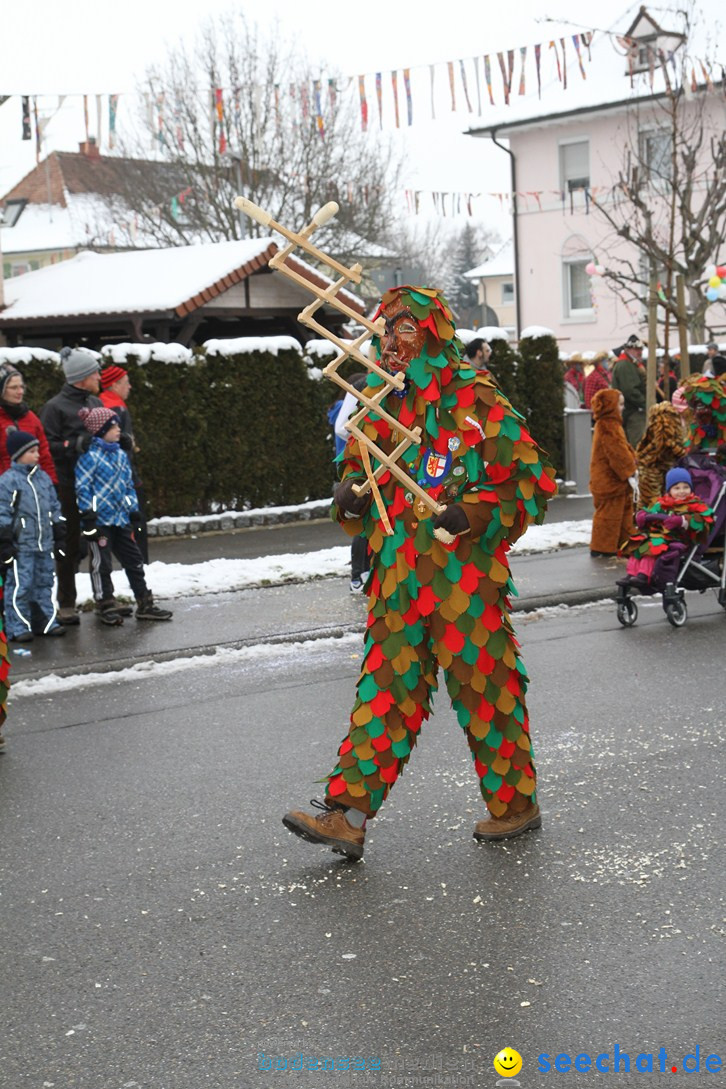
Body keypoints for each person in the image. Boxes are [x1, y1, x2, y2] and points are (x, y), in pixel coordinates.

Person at [282, 285, 557, 859]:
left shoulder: (475, 398)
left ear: (431, 333)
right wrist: (348, 499)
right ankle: (348, 816)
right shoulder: (380, 402)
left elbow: (528, 481)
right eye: (386, 330)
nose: (392, 341)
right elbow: (357, 475)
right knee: (384, 695)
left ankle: (514, 805)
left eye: (405, 329)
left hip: (464, 586)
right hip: (398, 583)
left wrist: (474, 512)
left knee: (486, 692)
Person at [75, 407, 172, 624]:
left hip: (120, 519)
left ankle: (144, 601)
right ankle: (105, 603)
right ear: (101, 430)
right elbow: (83, 488)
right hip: (100, 522)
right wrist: (89, 516)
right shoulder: (89, 458)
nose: (119, 429)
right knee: (102, 564)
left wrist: (132, 508)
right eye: (114, 426)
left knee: (134, 560)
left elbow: (128, 486)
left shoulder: (120, 455)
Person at [40, 348, 104, 625]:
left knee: (101, 540)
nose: (100, 377)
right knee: (68, 543)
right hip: (67, 485)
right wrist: (72, 445)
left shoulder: (95, 401)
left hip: (96, 484)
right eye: (95, 373)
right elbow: (46, 448)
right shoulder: (54, 408)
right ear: (82, 377)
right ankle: (66, 603)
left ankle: (106, 597)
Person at [0, 431, 66, 642]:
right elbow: (3, 511)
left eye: (37, 450)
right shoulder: (8, 481)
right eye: (31, 451)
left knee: (44, 582)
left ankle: (45, 621)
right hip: (22, 546)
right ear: (18, 454)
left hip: (44, 544)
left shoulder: (43, 478)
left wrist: (58, 530)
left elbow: (54, 505)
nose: (37, 455)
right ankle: (18, 625)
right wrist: (5, 540)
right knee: (21, 585)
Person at [619, 467, 714, 590]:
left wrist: (682, 520)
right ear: (669, 490)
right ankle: (631, 573)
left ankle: (643, 575)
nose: (682, 491)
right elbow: (650, 511)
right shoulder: (662, 503)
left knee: (653, 546)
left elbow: (703, 521)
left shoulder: (695, 505)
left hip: (681, 539)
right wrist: (641, 515)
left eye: (686, 487)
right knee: (638, 542)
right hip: (662, 536)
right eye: (677, 488)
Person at [99, 365, 149, 562]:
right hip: (124, 477)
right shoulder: (117, 408)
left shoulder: (100, 404)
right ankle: (141, 565)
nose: (130, 387)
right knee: (136, 523)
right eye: (126, 383)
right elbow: (124, 445)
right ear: (114, 384)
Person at [334, 373, 371, 592]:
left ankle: (363, 572)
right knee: (361, 523)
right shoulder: (357, 393)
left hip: (358, 467)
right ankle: (358, 574)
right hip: (355, 469)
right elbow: (342, 427)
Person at [589, 388, 637, 557]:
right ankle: (602, 547)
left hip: (610, 479)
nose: (623, 407)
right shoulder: (609, 425)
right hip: (610, 480)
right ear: (611, 406)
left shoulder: (609, 424)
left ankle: (624, 543)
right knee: (609, 515)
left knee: (622, 512)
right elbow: (617, 453)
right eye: (620, 404)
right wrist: (630, 469)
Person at [0, 364, 57, 482]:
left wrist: (51, 481)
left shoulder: (31, 418)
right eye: (14, 387)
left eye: (21, 387)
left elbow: (44, 453)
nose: (20, 391)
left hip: (33, 485)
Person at [634, 402, 686, 510]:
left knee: (650, 501)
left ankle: (647, 521)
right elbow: (662, 444)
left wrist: (641, 457)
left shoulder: (657, 423)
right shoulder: (665, 423)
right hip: (656, 467)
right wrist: (682, 453)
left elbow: (652, 446)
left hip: (652, 467)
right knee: (654, 502)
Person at [611, 334, 647, 446]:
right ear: (627, 349)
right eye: (636, 349)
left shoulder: (629, 364)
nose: (639, 351)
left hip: (631, 411)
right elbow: (630, 391)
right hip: (633, 413)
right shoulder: (625, 365)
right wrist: (646, 404)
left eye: (640, 349)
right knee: (637, 445)